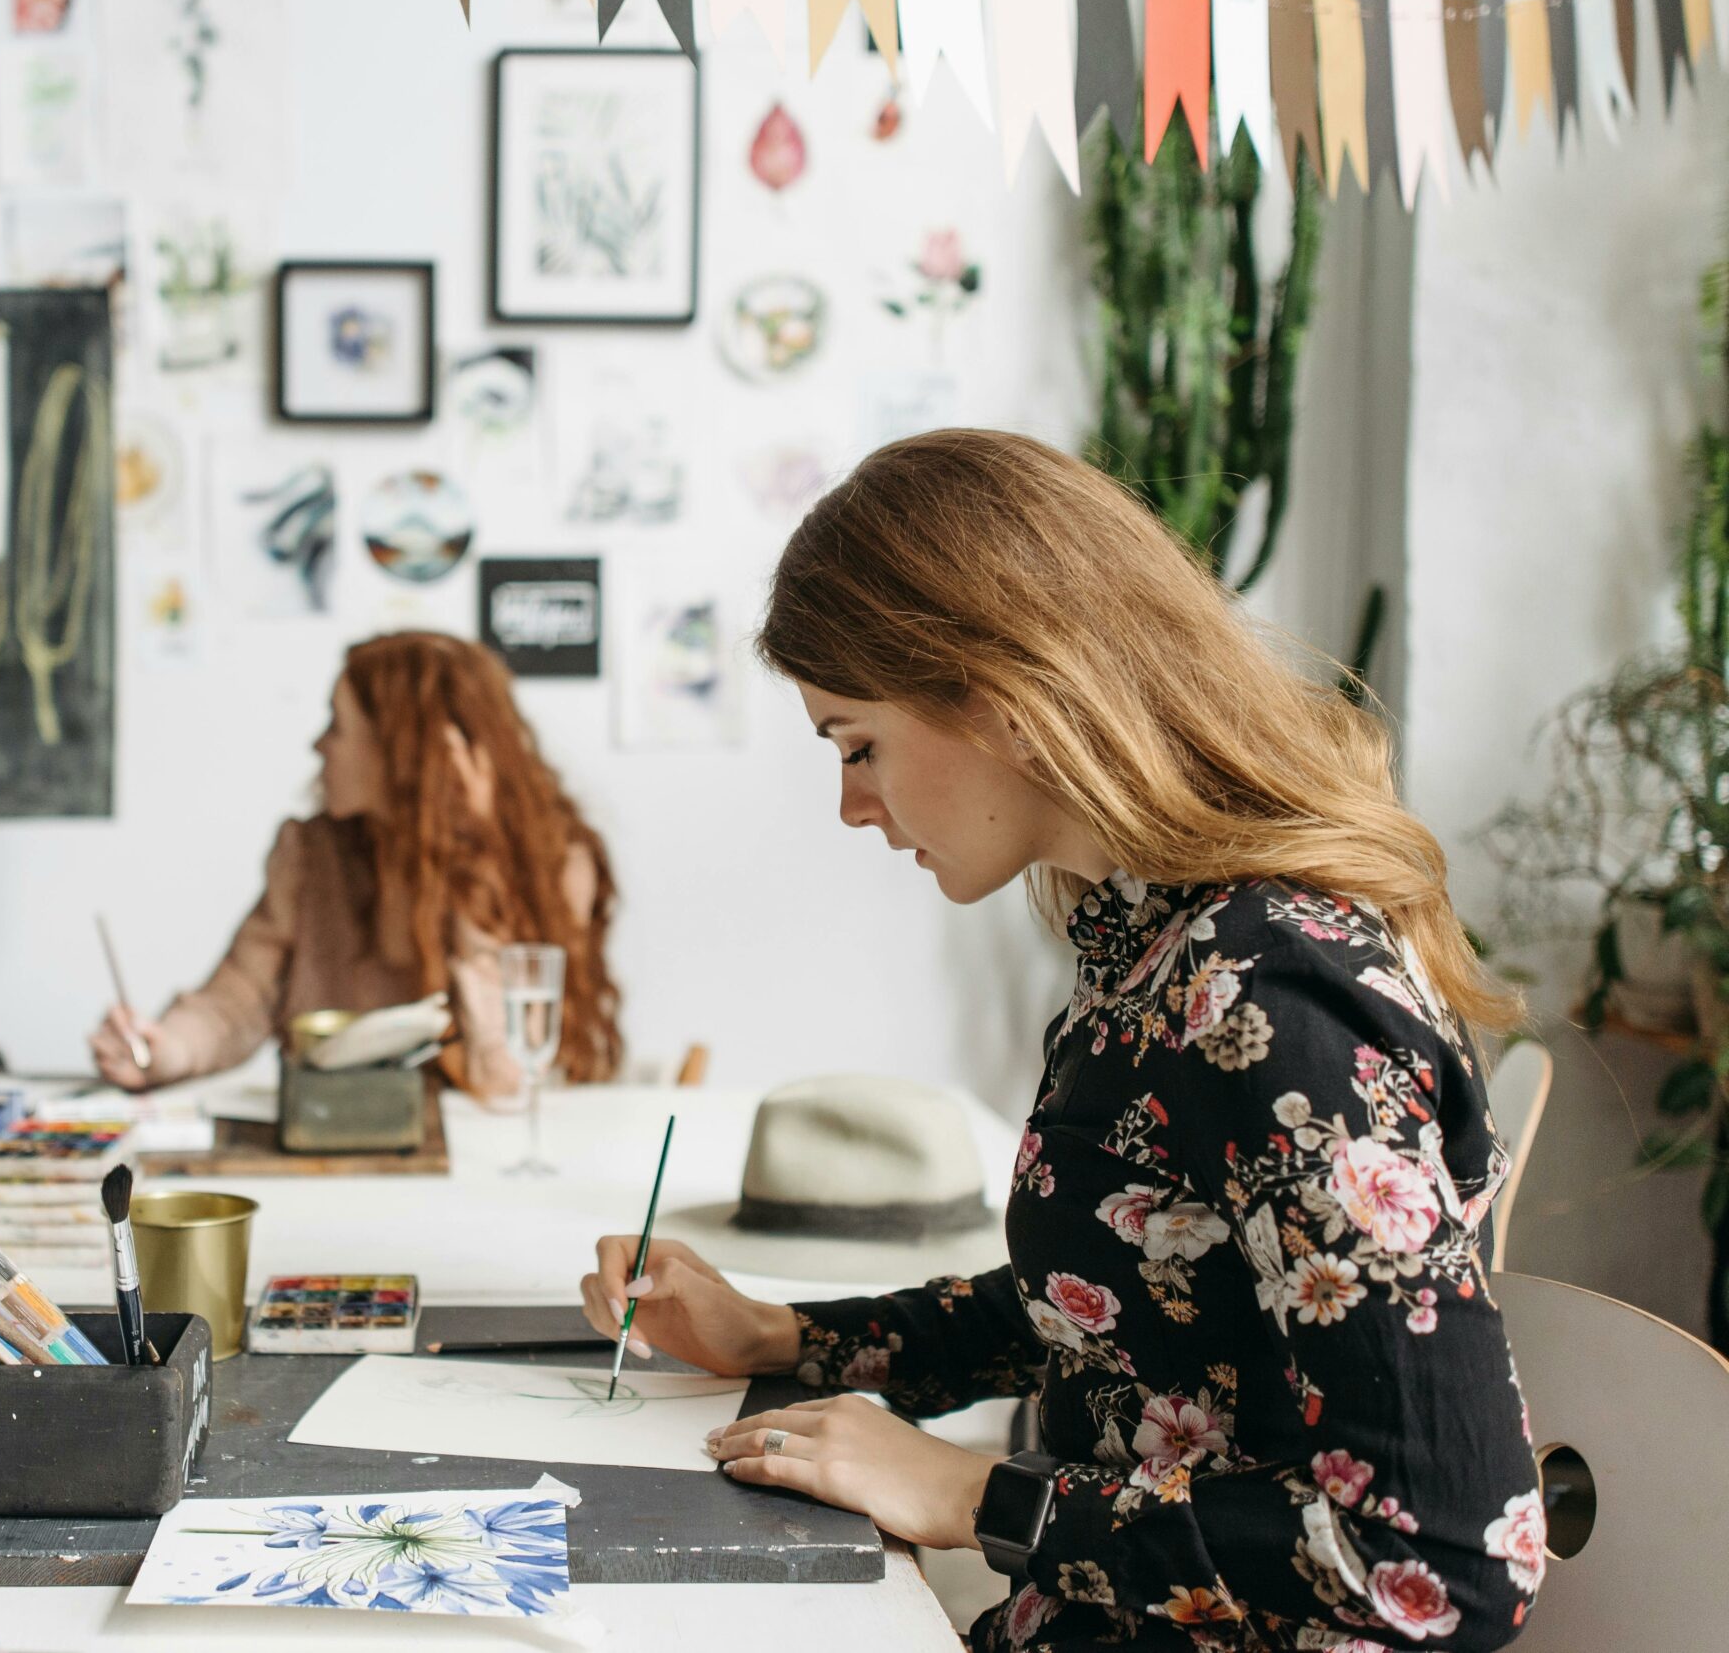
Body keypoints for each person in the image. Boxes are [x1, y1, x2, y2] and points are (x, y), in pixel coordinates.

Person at [578, 432, 1540, 1651]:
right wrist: (788, 1338)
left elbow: (1445, 1556)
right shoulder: (1150, 943)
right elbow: (1136, 1295)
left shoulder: (1267, 996)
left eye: (858, 745)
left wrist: (974, 1492)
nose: (852, 804)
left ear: (1004, 697)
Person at [89, 631, 621, 1098]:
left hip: (474, 1146)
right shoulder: (311, 856)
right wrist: (166, 1051)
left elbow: (506, 1073)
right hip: (336, 1137)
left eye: (338, 725)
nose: (318, 745)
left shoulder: (554, 865)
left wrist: (476, 859)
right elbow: (237, 998)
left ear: (402, 753)